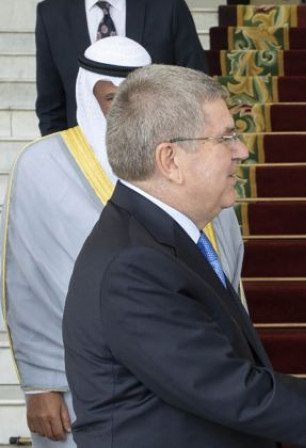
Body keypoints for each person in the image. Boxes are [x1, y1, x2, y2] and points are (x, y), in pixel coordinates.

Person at [60, 64, 306, 448]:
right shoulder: (134, 265)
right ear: (170, 160)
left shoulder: (157, 239)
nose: (243, 150)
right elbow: (224, 388)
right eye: (226, 138)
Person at [0, 36, 157, 448]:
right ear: (89, 94)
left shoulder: (176, 157)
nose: (125, 113)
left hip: (171, 370)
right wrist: (39, 386)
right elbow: (26, 280)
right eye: (112, 99)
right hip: (77, 380)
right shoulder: (42, 164)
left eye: (136, 98)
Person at [35, 0, 208, 136]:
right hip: (84, 164)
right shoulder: (51, 14)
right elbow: (51, 107)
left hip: (159, 158)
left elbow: (197, 88)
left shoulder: (168, 6)